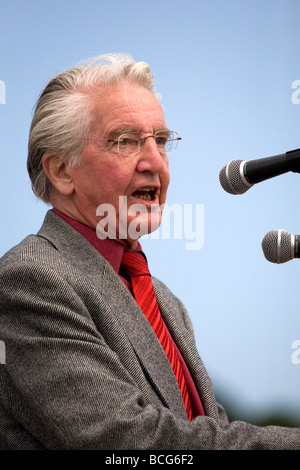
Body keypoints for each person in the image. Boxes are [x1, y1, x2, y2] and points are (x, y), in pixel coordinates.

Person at [0, 53, 299, 450]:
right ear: (61, 171)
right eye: (125, 141)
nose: (156, 162)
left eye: (160, 140)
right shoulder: (30, 279)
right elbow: (129, 441)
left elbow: (207, 430)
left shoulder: (166, 303)